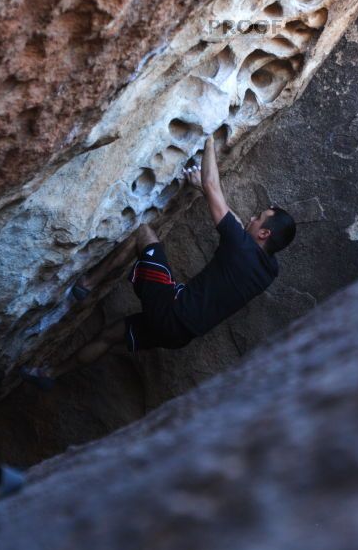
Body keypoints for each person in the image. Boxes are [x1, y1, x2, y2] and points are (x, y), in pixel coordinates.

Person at [23, 134, 296, 379]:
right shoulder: (268, 272)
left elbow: (213, 185)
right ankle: (50, 373)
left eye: (258, 219)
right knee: (112, 334)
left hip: (171, 310)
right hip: (179, 335)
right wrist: (204, 192)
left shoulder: (241, 246)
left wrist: (211, 138)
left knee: (143, 234)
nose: (251, 218)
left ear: (264, 235)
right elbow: (235, 226)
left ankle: (88, 283)